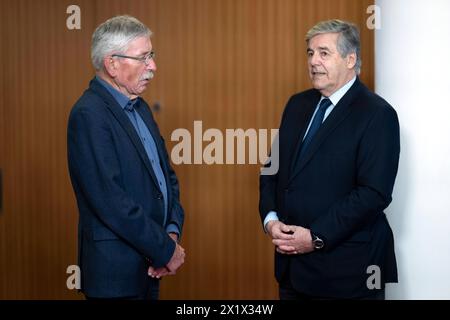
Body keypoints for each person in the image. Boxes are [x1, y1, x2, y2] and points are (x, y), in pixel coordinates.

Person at [259, 19, 400, 300]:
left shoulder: (377, 114)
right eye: (310, 53)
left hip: (348, 272)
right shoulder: (297, 104)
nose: (314, 61)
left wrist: (314, 237)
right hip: (292, 270)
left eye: (324, 53)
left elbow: (373, 194)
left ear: (351, 59)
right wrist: (271, 220)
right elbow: (273, 169)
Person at [67, 15, 185, 300]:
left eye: (152, 56)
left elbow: (165, 178)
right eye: (143, 57)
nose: (153, 66)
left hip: (147, 266)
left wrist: (171, 231)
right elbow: (111, 200)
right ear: (112, 64)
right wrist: (165, 249)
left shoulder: (140, 107)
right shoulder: (89, 114)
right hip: (115, 277)